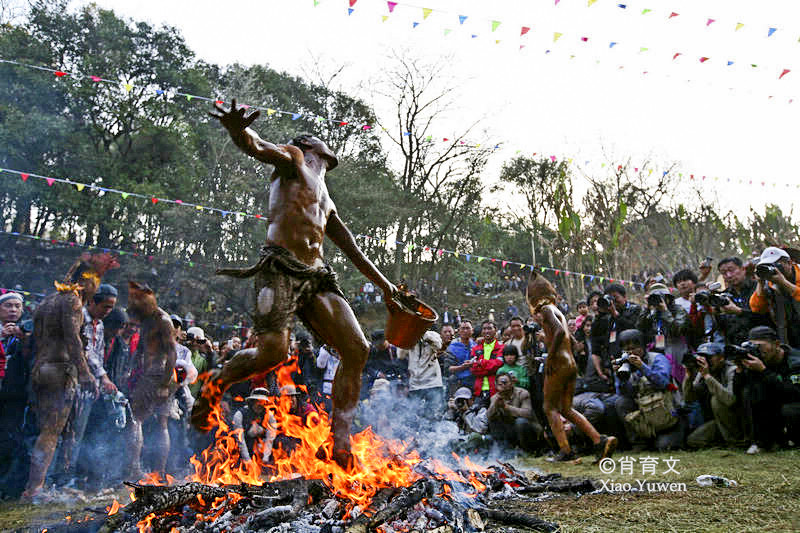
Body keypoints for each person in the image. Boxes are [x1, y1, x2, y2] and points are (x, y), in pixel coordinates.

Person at [196, 100, 399, 468]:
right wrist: (238, 130)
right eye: (322, 145)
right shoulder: (293, 160)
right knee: (273, 353)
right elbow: (258, 146)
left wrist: (386, 287)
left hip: (317, 276)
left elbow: (351, 248)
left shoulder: (326, 195)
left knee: (357, 348)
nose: (329, 151)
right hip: (280, 268)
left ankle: (339, 442)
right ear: (310, 148)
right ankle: (215, 382)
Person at [24, 252, 119, 499]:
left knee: (46, 430)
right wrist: (86, 375)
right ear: (86, 282)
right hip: (60, 370)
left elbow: (34, 339)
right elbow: (73, 341)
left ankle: (41, 485)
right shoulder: (72, 301)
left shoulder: (48, 300)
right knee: (51, 432)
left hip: (40, 369)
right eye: (94, 284)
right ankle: (34, 488)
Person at [527, 272, 616, 463]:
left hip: (558, 363)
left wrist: (550, 357)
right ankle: (600, 440)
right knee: (566, 409)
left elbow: (559, 331)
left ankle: (565, 450)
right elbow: (570, 338)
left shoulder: (547, 310)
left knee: (549, 407)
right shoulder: (557, 310)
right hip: (569, 363)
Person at [613, 329, 683, 451]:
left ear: (643, 346)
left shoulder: (657, 359)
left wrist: (642, 367)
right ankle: (638, 442)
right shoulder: (625, 366)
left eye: (634, 348)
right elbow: (625, 394)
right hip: (646, 411)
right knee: (621, 402)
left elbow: (663, 383)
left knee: (663, 447)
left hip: (668, 414)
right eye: (626, 349)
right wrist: (620, 377)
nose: (630, 352)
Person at [735, 326, 800, 454]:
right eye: (753, 347)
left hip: (793, 404)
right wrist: (739, 371)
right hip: (775, 406)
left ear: (776, 344)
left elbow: (794, 393)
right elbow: (737, 394)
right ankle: (762, 441)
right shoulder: (760, 360)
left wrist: (764, 371)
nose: (758, 351)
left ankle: (794, 441)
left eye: (760, 346)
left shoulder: (795, 361)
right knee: (749, 393)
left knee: (789, 409)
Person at [0, 292, 31, 499]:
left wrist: (24, 340)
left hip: (14, 396)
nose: (13, 310)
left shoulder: (27, 333)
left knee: (10, 439)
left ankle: (7, 488)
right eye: (8, 306)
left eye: (17, 306)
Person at [683, 343, 742, 449]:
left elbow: (730, 400)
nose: (706, 360)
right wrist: (688, 377)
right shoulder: (702, 372)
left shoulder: (731, 370)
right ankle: (722, 443)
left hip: (737, 420)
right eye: (702, 357)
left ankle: (735, 442)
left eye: (709, 357)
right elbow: (689, 399)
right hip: (718, 422)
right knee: (693, 440)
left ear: (721, 358)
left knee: (716, 400)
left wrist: (707, 376)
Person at [749, 247, 800, 348]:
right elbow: (757, 308)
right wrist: (760, 282)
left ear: (789, 263)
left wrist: (784, 283)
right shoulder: (770, 283)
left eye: (777, 264)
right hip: (789, 337)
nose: (774, 269)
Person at [486, 372, 542, 453]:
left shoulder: (522, 393)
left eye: (505, 382)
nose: (503, 385)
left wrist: (507, 407)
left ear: (511, 383)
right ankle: (504, 450)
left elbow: (527, 413)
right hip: (510, 430)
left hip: (529, 430)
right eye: (500, 384)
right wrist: (494, 404)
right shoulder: (495, 398)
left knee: (521, 422)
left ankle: (528, 451)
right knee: (493, 420)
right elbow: (489, 416)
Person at [715, 257, 762, 346]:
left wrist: (739, 311)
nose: (729, 275)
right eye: (724, 273)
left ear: (743, 269)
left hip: (760, 342)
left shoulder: (758, 287)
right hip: (736, 345)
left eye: (731, 270)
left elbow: (765, 316)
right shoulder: (724, 296)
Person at [637, 283, 689, 362]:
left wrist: (665, 311)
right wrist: (647, 308)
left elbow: (678, 330)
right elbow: (640, 327)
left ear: (668, 298)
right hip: (658, 350)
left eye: (661, 298)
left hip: (676, 351)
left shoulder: (678, 310)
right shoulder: (653, 312)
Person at [397, 330, 444, 413]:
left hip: (433, 382)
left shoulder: (433, 334)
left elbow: (439, 346)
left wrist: (425, 336)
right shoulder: (409, 338)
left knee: (435, 413)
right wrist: (406, 339)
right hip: (415, 384)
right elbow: (400, 355)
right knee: (415, 415)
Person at [469, 320, 505, 401]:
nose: (486, 331)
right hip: (479, 390)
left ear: (495, 330)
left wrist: (481, 363)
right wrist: (490, 369)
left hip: (496, 389)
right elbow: (473, 369)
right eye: (484, 329)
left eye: (489, 328)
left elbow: (498, 365)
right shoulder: (475, 349)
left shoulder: (501, 347)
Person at [445, 320, 476, 393]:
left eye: (468, 328)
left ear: (472, 330)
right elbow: (448, 368)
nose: (465, 331)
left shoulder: (476, 346)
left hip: (474, 381)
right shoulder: (452, 348)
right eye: (463, 328)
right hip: (457, 382)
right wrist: (462, 367)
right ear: (458, 331)